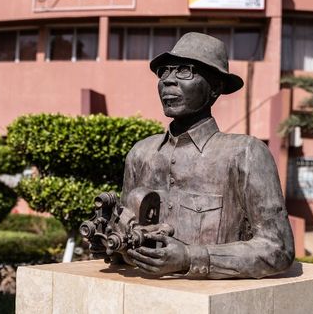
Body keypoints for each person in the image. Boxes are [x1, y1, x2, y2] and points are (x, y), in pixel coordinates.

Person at [121, 32, 294, 279]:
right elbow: (127, 231)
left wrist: (191, 258)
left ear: (216, 87)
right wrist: (114, 244)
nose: (169, 80)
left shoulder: (245, 153)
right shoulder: (141, 153)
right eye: (165, 71)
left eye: (185, 71)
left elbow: (278, 249)